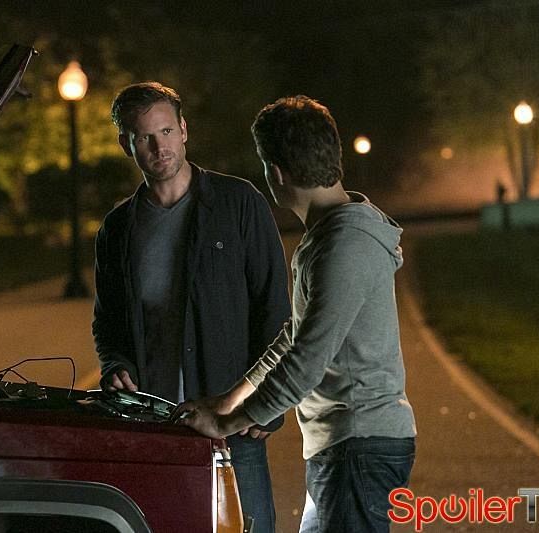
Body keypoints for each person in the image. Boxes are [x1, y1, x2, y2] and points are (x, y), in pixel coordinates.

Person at [174, 95, 417, 533]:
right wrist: (232, 398)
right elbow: (295, 334)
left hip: (358, 445)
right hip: (344, 447)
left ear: (277, 173)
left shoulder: (345, 245)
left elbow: (305, 362)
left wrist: (229, 422)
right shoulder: (330, 237)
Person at [93, 82, 291, 532]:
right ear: (126, 144)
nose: (158, 147)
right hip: (154, 424)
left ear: (183, 130)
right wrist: (115, 363)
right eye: (144, 137)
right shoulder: (118, 229)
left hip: (231, 420)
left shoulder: (238, 203)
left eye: (166, 131)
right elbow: (107, 321)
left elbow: (275, 309)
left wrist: (269, 404)